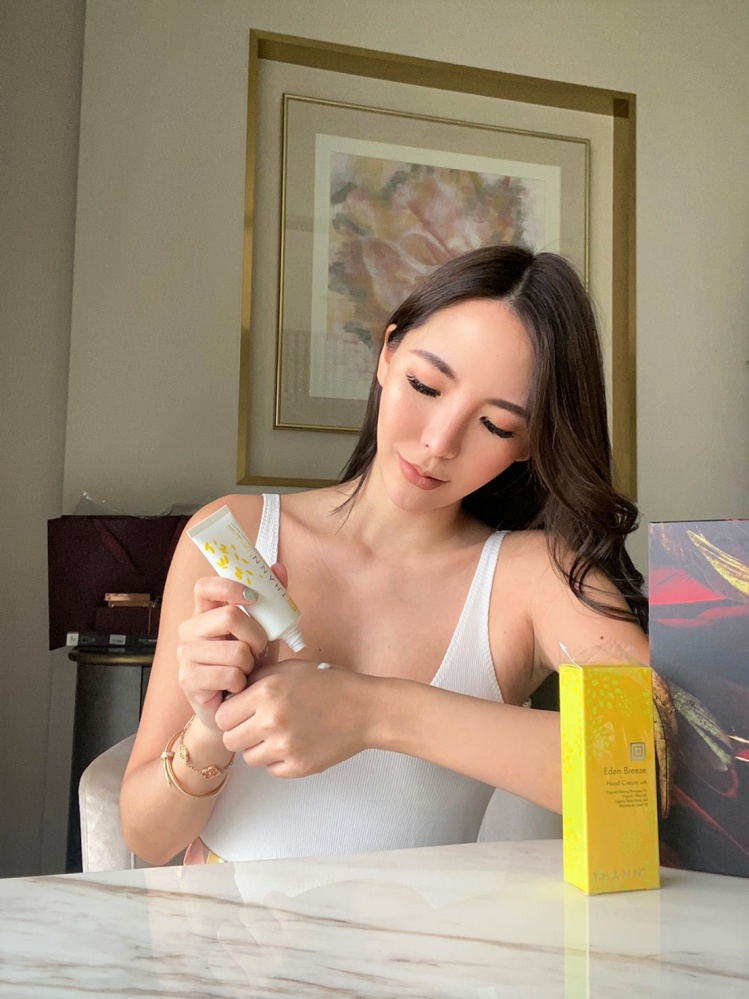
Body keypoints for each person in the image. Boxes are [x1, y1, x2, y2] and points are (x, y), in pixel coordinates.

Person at [120, 244, 649, 866]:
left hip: (415, 932)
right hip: (227, 926)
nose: (439, 442)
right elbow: (147, 839)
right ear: (388, 353)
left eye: (497, 425)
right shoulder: (236, 537)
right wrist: (211, 728)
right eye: (425, 385)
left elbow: (661, 762)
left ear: (530, 442)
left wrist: (372, 711)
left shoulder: (532, 578)